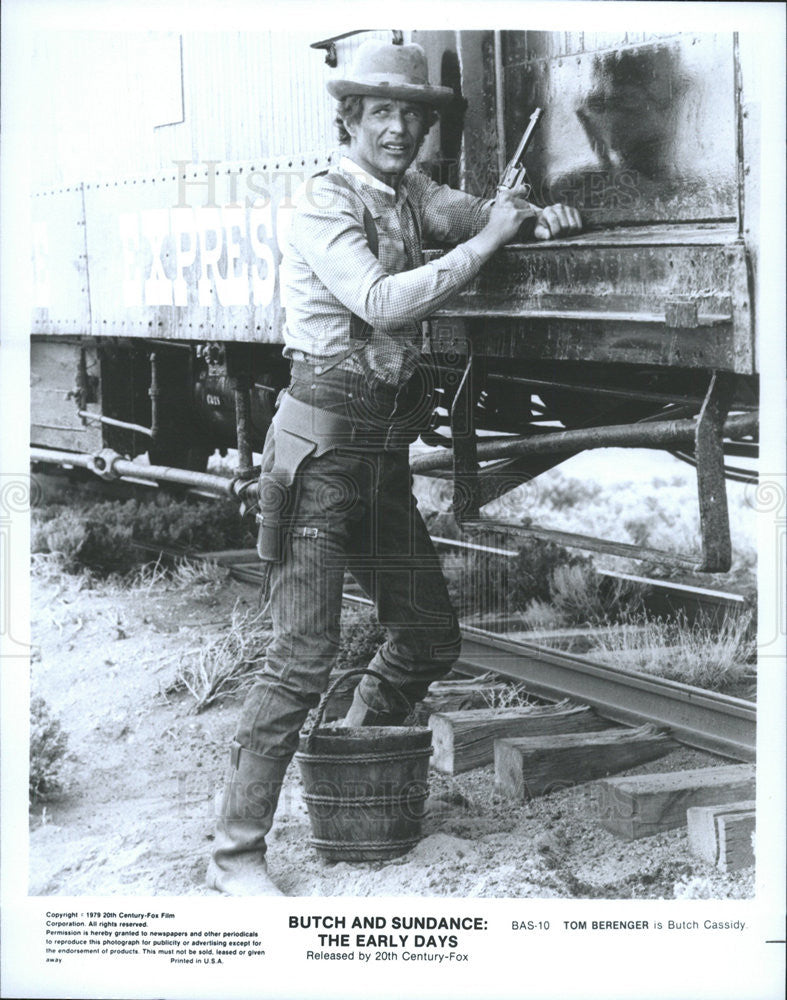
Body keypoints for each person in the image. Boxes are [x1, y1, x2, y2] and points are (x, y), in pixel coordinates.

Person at [206, 39, 582, 896]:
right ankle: (235, 853)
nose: (401, 127)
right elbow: (379, 300)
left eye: (414, 114)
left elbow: (476, 210)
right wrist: (489, 240)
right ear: (349, 118)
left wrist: (527, 214)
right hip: (320, 458)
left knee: (426, 635)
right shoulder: (320, 204)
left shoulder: (412, 192)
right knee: (302, 654)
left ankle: (350, 753)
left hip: (378, 457)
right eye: (383, 112)